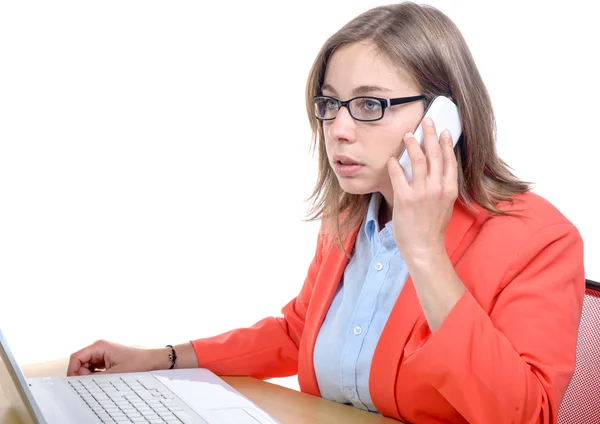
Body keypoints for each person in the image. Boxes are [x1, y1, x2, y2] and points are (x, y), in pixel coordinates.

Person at [67, 2, 585, 423]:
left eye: (370, 104)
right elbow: (297, 333)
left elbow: (526, 415)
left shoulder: (539, 239)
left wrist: (425, 253)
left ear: (444, 118)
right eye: (330, 103)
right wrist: (161, 357)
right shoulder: (350, 217)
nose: (338, 128)